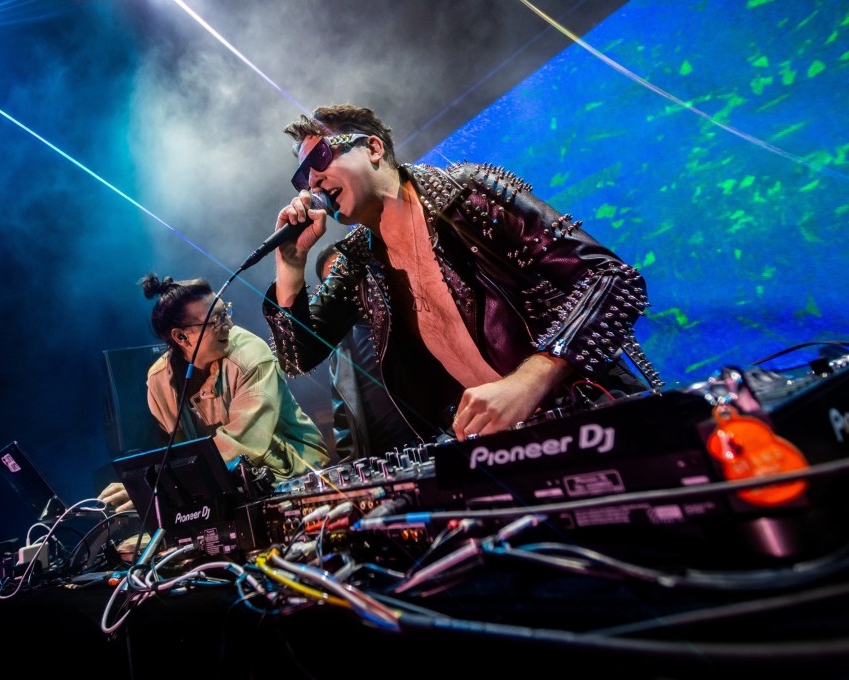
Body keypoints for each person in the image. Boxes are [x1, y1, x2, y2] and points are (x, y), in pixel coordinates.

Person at [263, 104, 662, 445]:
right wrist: (291, 266)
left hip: (591, 414)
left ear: (372, 147)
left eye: (319, 161)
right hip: (502, 449)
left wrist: (531, 379)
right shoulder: (358, 263)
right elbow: (299, 357)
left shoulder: (467, 195)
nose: (312, 182)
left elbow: (612, 279)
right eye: (302, 179)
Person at [100, 274, 330, 512]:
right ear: (181, 337)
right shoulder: (158, 381)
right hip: (229, 486)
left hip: (294, 475)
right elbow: (182, 456)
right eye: (217, 319)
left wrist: (160, 485)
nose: (229, 325)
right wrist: (150, 489)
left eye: (225, 312)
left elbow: (243, 445)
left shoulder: (251, 356)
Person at [315, 242, 419, 461]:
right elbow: (344, 422)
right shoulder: (339, 348)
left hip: (438, 439)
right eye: (332, 283)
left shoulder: (403, 308)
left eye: (345, 274)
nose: (342, 286)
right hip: (386, 462)